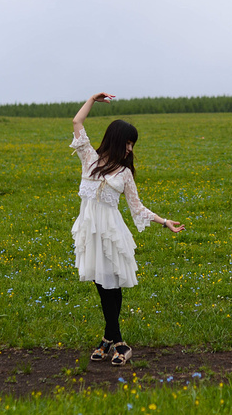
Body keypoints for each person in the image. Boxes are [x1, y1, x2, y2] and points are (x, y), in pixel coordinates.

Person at [70, 92, 185, 366]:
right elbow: (77, 122)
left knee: (112, 285)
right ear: (117, 140)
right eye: (128, 142)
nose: (130, 149)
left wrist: (163, 221)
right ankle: (112, 340)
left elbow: (137, 207)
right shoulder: (89, 159)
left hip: (111, 234)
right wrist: (91, 99)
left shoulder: (125, 173)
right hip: (91, 232)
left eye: (133, 144)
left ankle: (116, 341)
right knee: (100, 284)